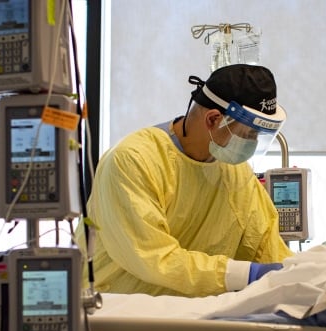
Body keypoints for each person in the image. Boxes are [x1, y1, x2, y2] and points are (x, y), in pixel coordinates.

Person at [88, 64, 292, 297]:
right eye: (248, 134)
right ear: (214, 119)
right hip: (117, 313)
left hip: (190, 317)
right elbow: (153, 257)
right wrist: (244, 274)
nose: (252, 143)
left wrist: (300, 274)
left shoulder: (236, 173)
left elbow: (264, 244)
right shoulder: (133, 160)